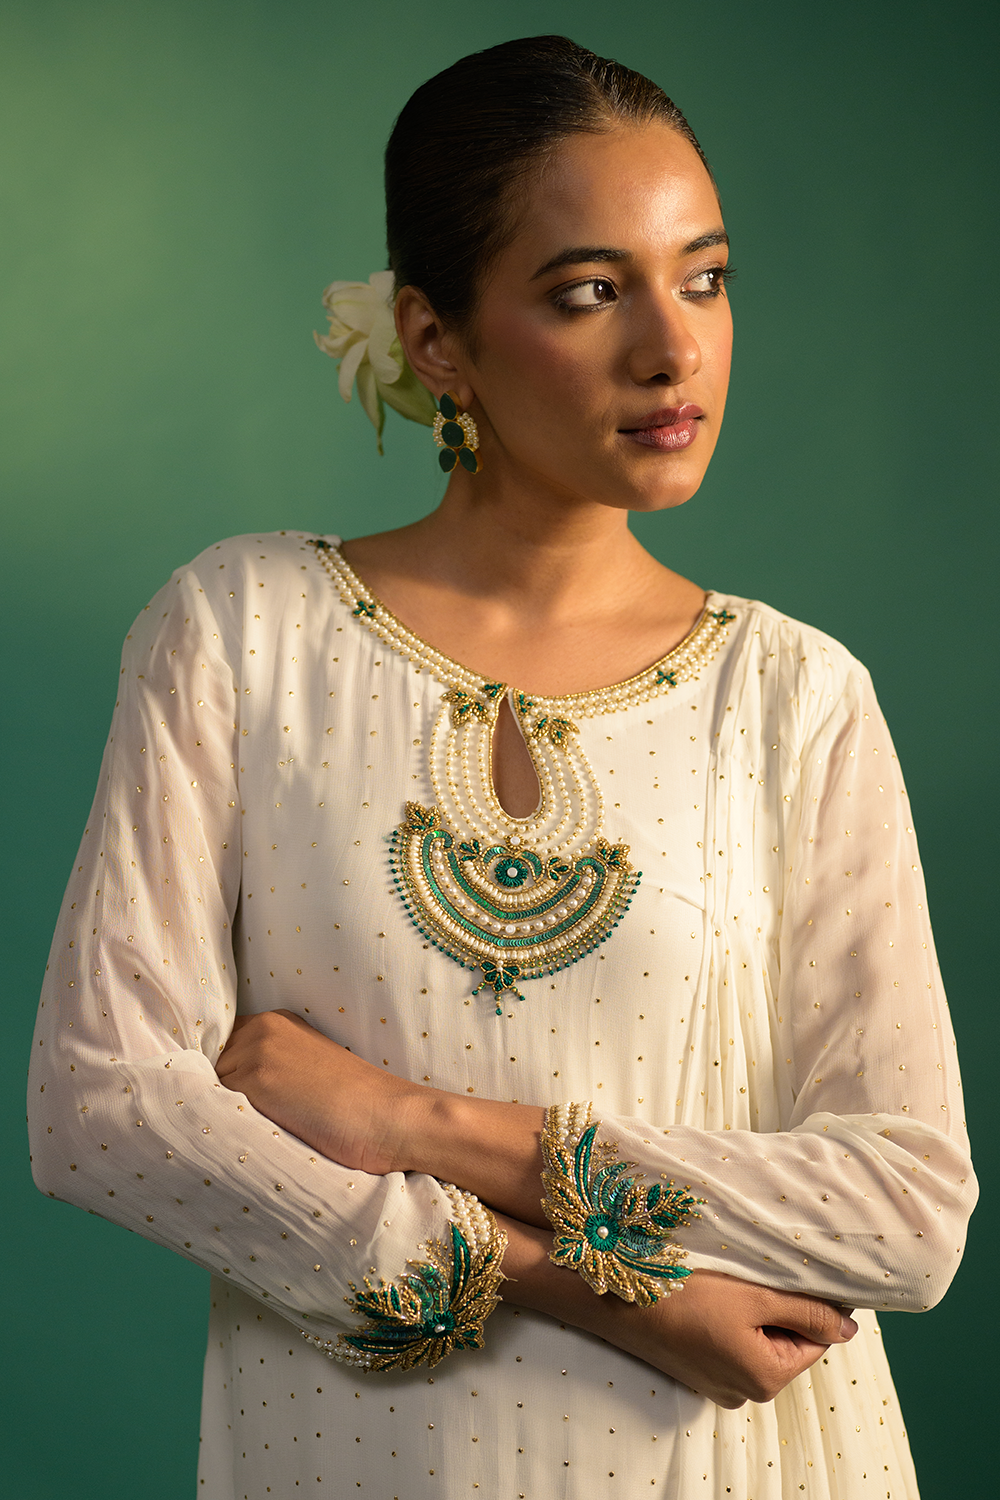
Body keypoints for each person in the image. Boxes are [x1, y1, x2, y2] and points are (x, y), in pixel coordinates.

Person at [28, 34, 976, 1500]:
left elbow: (905, 1211)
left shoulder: (794, 696)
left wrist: (418, 1125)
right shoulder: (241, 631)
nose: (672, 349)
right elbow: (103, 1109)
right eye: (590, 292)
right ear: (435, 339)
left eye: (705, 278)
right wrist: (594, 1286)